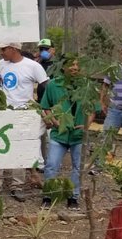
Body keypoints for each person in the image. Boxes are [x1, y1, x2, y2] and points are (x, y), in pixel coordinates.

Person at [0, 42, 48, 200]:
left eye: (4, 49)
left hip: (23, 113)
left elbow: (46, 87)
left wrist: (43, 108)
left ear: (13, 49)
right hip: (3, 111)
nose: (1, 52)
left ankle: (17, 185)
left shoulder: (32, 66)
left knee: (19, 149)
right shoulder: (1, 64)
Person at [41, 55, 95, 211]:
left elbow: (92, 109)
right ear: (63, 67)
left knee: (78, 166)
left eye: (77, 65)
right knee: (51, 164)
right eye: (71, 65)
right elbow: (45, 106)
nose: (74, 68)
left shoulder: (87, 85)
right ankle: (48, 195)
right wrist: (54, 121)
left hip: (79, 135)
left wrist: (86, 125)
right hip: (59, 133)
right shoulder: (53, 85)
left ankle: (73, 197)